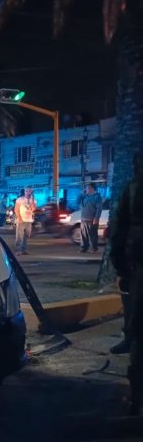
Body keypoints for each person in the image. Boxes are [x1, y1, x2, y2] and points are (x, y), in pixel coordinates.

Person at [110, 153, 143, 414]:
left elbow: (118, 231)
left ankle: (137, 398)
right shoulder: (131, 190)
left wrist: (120, 267)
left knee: (138, 332)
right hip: (136, 266)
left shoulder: (132, 189)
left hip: (136, 267)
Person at [77, 182, 104, 253]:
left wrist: (96, 218)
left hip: (92, 219)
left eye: (88, 188)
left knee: (92, 235)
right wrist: (81, 194)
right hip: (83, 219)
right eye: (86, 188)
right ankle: (83, 248)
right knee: (83, 235)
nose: (86, 189)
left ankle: (93, 248)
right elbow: (77, 202)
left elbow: (99, 208)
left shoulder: (97, 197)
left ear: (92, 189)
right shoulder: (84, 196)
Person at [14, 186, 36, 255]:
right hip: (21, 220)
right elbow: (16, 209)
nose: (28, 192)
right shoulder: (20, 199)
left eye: (30, 191)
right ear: (24, 191)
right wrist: (19, 218)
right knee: (19, 236)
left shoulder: (33, 200)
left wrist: (32, 200)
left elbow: (34, 209)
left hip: (29, 221)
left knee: (27, 236)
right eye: (27, 191)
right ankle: (18, 250)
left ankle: (24, 250)